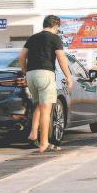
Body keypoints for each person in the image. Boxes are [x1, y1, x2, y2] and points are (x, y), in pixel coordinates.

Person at [18, 15, 73, 153]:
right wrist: (68, 77)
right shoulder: (54, 38)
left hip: (31, 75)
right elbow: (61, 58)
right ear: (56, 26)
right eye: (58, 27)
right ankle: (44, 143)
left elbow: (21, 56)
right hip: (45, 74)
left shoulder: (32, 38)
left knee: (39, 104)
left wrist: (25, 71)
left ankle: (33, 133)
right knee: (46, 110)